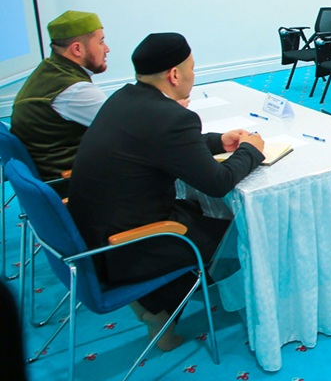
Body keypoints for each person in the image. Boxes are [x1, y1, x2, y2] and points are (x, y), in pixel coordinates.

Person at [68, 32, 265, 350]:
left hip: (93, 237)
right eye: (192, 68)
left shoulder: (124, 98)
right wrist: (250, 151)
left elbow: (162, 145)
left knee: (195, 211)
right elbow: (217, 183)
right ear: (175, 74)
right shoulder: (172, 117)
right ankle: (172, 308)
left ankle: (158, 309)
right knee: (243, 233)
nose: (193, 75)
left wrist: (218, 141)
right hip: (128, 248)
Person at [11, 10, 109, 193]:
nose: (107, 49)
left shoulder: (49, 70)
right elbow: (129, 130)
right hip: (76, 186)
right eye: (101, 42)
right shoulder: (74, 90)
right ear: (77, 49)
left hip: (56, 176)